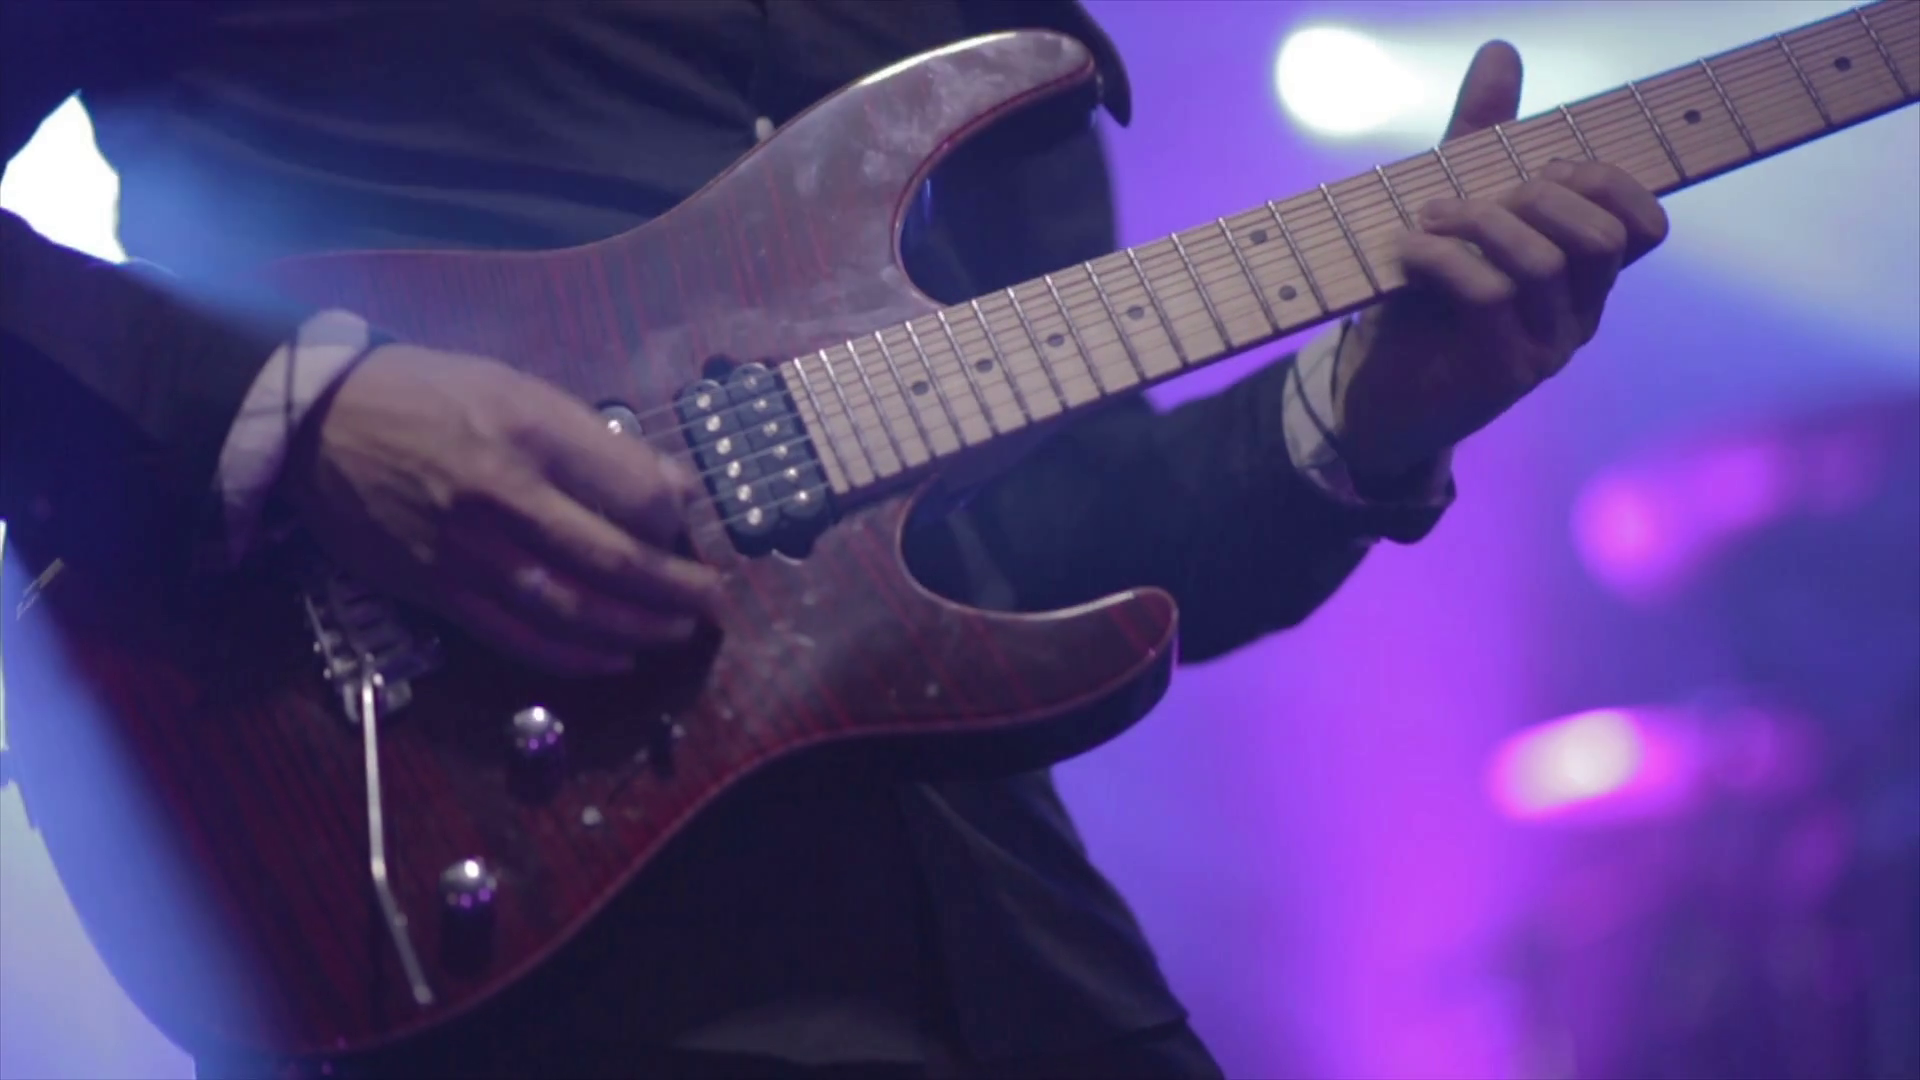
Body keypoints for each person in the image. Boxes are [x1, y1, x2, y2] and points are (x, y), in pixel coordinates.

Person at [0, 2, 1668, 1077]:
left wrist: (1374, 411)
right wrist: (300, 415)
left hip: (994, 952)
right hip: (447, 859)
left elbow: (1048, 532)